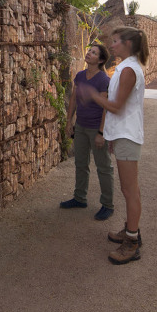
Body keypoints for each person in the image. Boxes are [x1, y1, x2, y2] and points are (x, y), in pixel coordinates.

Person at [92, 26, 148, 264]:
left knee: (129, 190)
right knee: (129, 189)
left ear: (128, 44)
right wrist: (112, 135)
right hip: (123, 135)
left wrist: (93, 96)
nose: (111, 45)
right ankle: (131, 230)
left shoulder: (128, 70)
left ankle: (132, 242)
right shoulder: (126, 67)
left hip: (127, 135)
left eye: (115, 41)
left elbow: (115, 107)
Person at [59, 43, 115, 220]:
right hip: (81, 127)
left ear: (101, 60)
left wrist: (101, 133)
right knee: (81, 164)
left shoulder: (103, 80)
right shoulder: (80, 76)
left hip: (96, 128)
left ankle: (107, 205)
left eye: (94, 53)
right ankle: (79, 198)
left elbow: (106, 108)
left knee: (103, 167)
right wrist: (69, 121)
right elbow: (74, 99)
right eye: (89, 51)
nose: (89, 53)